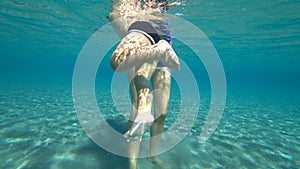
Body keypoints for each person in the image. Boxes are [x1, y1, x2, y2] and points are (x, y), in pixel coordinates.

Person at [109, 0, 181, 168]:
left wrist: (115, 16)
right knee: (137, 107)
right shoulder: (129, 13)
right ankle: (133, 164)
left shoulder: (121, 13)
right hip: (149, 37)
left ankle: (153, 157)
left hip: (152, 34)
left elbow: (115, 14)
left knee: (162, 112)